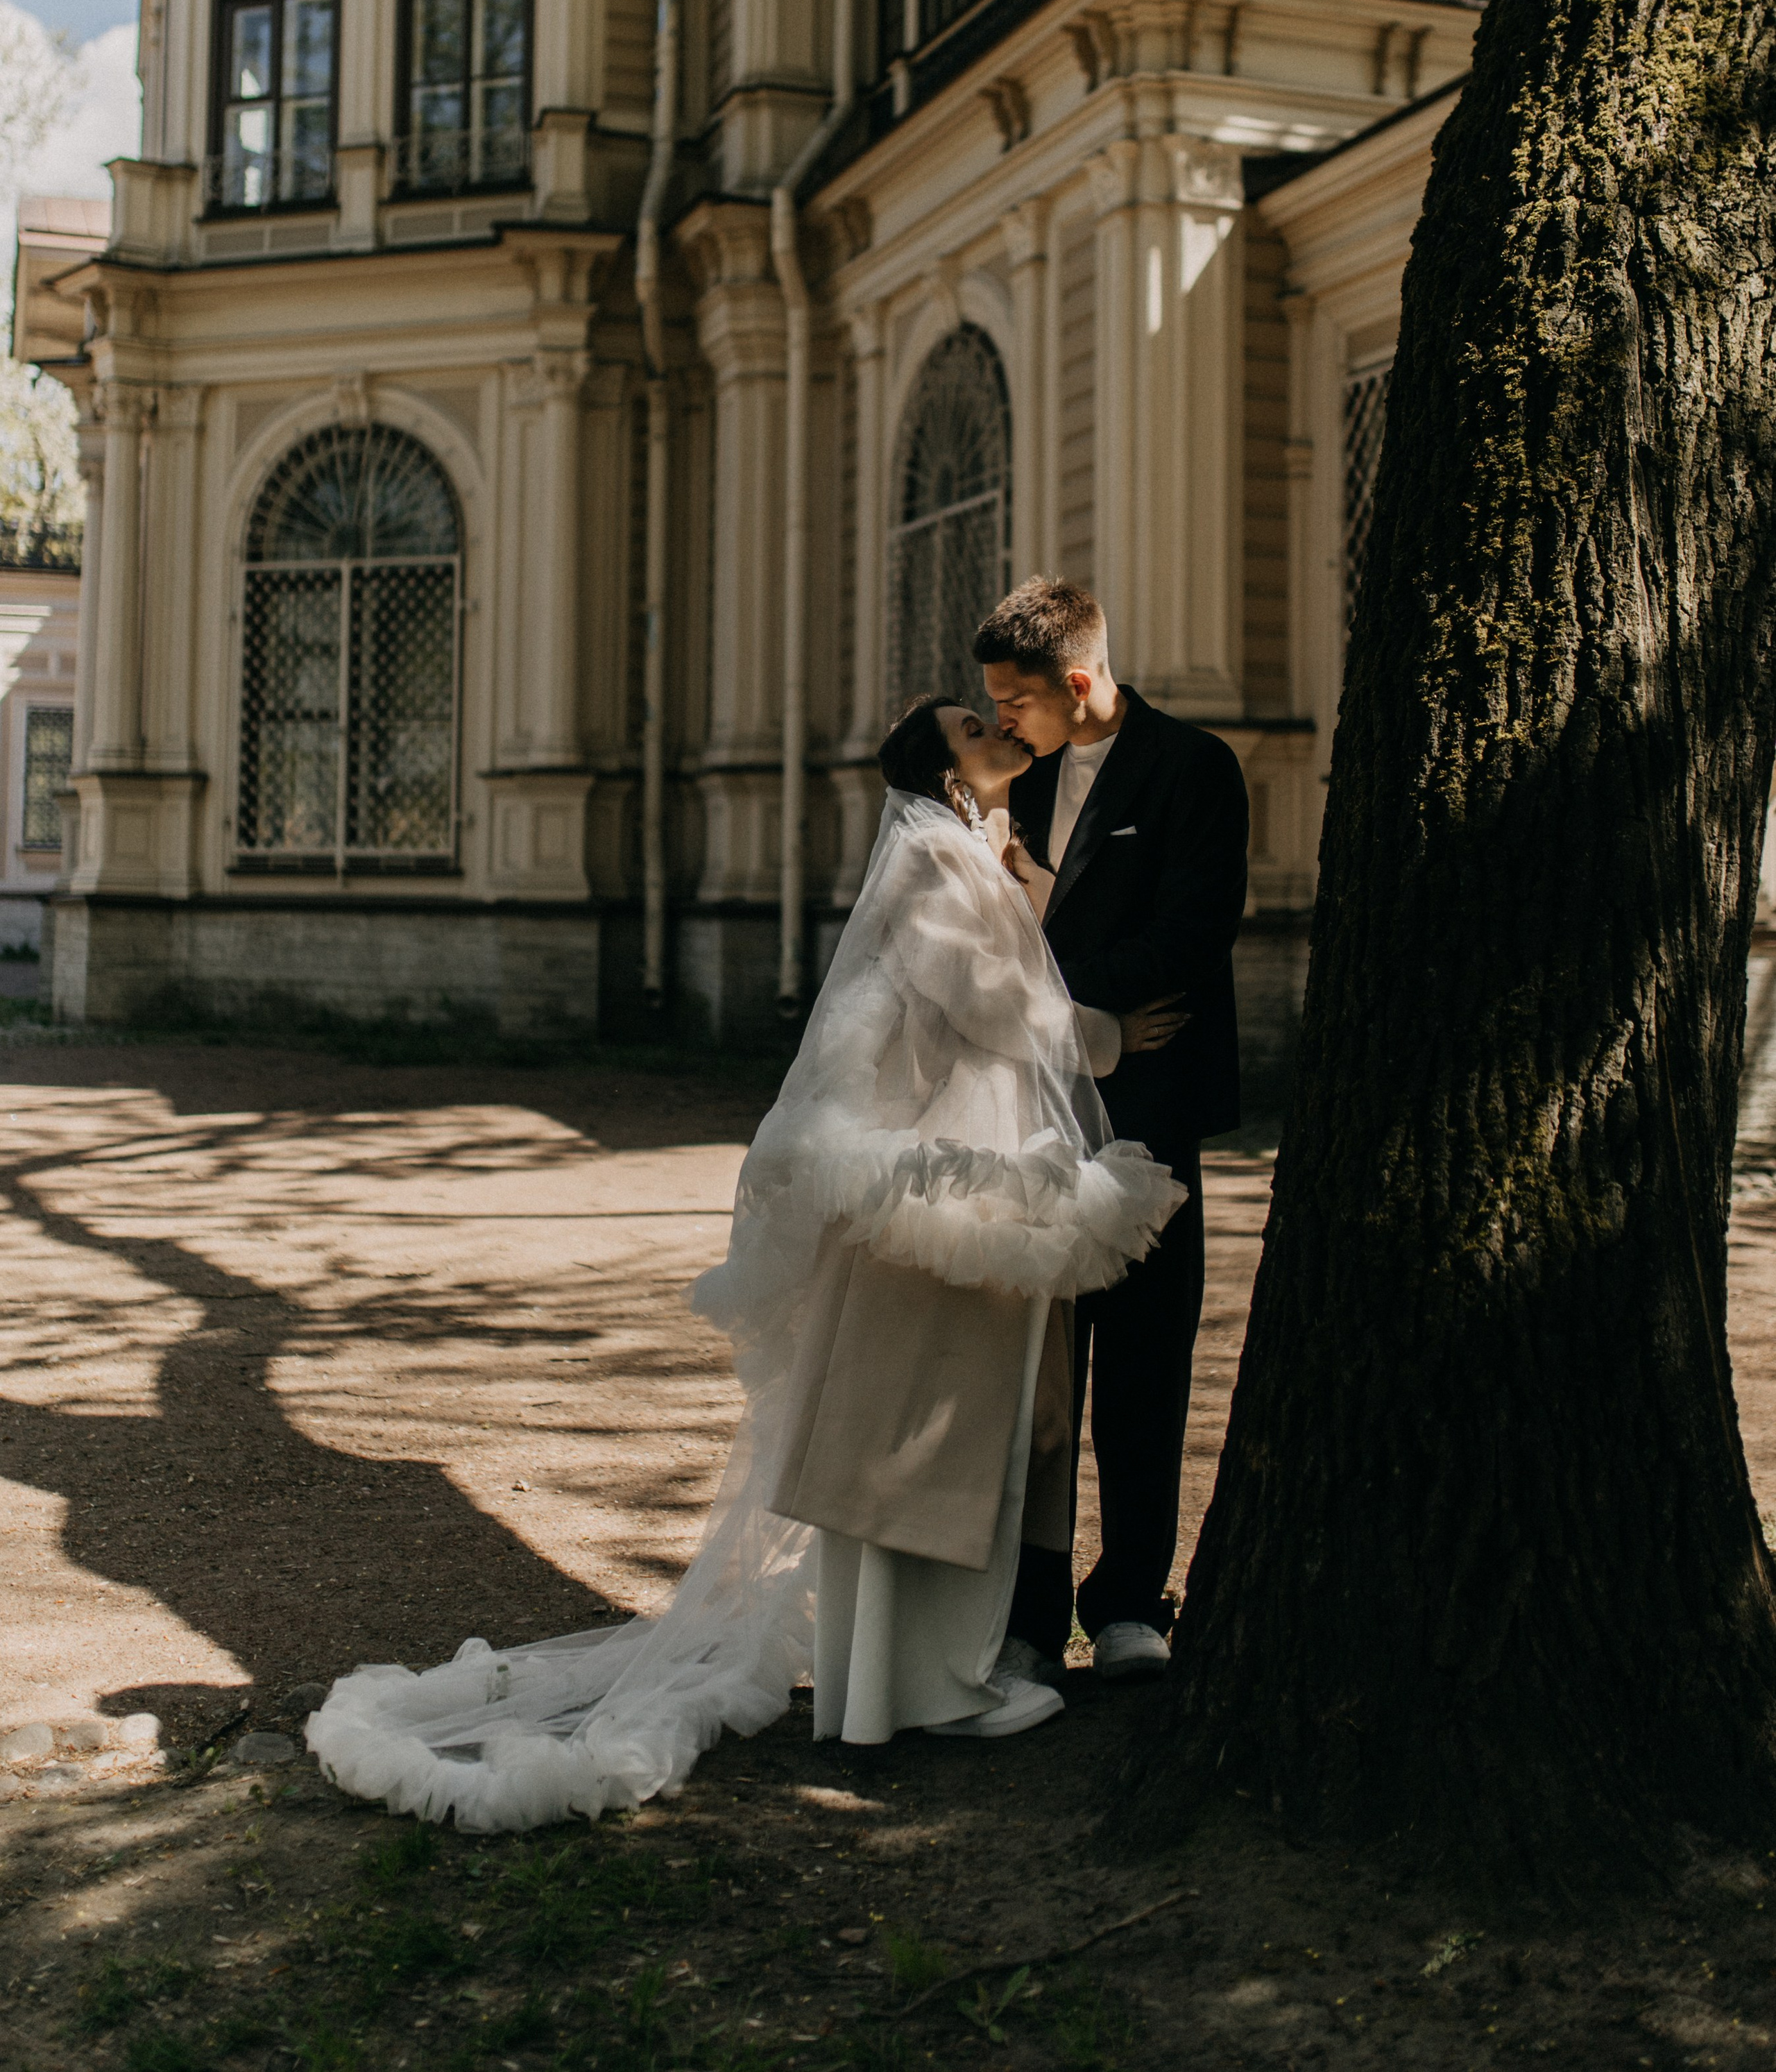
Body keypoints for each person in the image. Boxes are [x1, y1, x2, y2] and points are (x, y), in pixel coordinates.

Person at [305, 693, 1180, 1831]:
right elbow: (984, 1001)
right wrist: (1108, 1036)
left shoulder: (968, 848)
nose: (998, 731)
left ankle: (922, 1682)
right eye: (974, 728)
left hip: (952, 1169)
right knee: (918, 1430)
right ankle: (924, 1692)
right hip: (930, 1182)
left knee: (948, 1426)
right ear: (944, 770)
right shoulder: (929, 856)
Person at [974, 577, 1249, 1687]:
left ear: (1078, 683)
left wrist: (1061, 991)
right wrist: (1084, 1020)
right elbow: (983, 946)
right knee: (1037, 1377)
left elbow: (1194, 935)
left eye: (1017, 701)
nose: (1002, 721)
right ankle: (1030, 1614)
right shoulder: (1012, 781)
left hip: (1151, 1117)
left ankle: (1133, 1600)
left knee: (1145, 1364)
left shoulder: (1193, 769)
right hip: (1030, 1114)